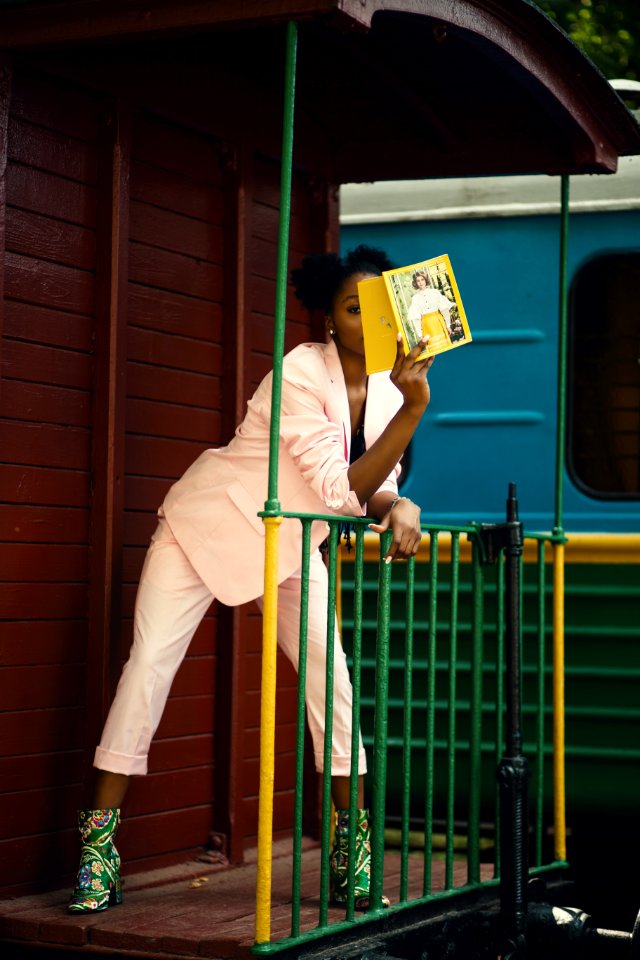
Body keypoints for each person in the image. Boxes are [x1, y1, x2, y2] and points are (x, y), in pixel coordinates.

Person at [68, 245, 434, 915]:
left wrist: (400, 501)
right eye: (355, 307)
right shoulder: (299, 369)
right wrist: (414, 415)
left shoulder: (388, 388)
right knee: (147, 670)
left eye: (380, 306)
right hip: (207, 526)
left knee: (337, 687)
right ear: (329, 318)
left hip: (291, 545)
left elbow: (374, 487)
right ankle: (97, 853)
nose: (369, 318)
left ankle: (351, 857)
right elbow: (336, 485)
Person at [406, 270, 454, 347]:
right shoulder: (415, 298)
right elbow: (416, 318)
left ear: (426, 280)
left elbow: (444, 310)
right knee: (432, 347)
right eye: (418, 281)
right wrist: (420, 334)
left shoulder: (435, 292)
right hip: (426, 325)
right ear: (415, 283)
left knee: (444, 345)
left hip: (438, 321)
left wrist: (448, 325)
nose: (420, 282)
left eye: (422, 280)